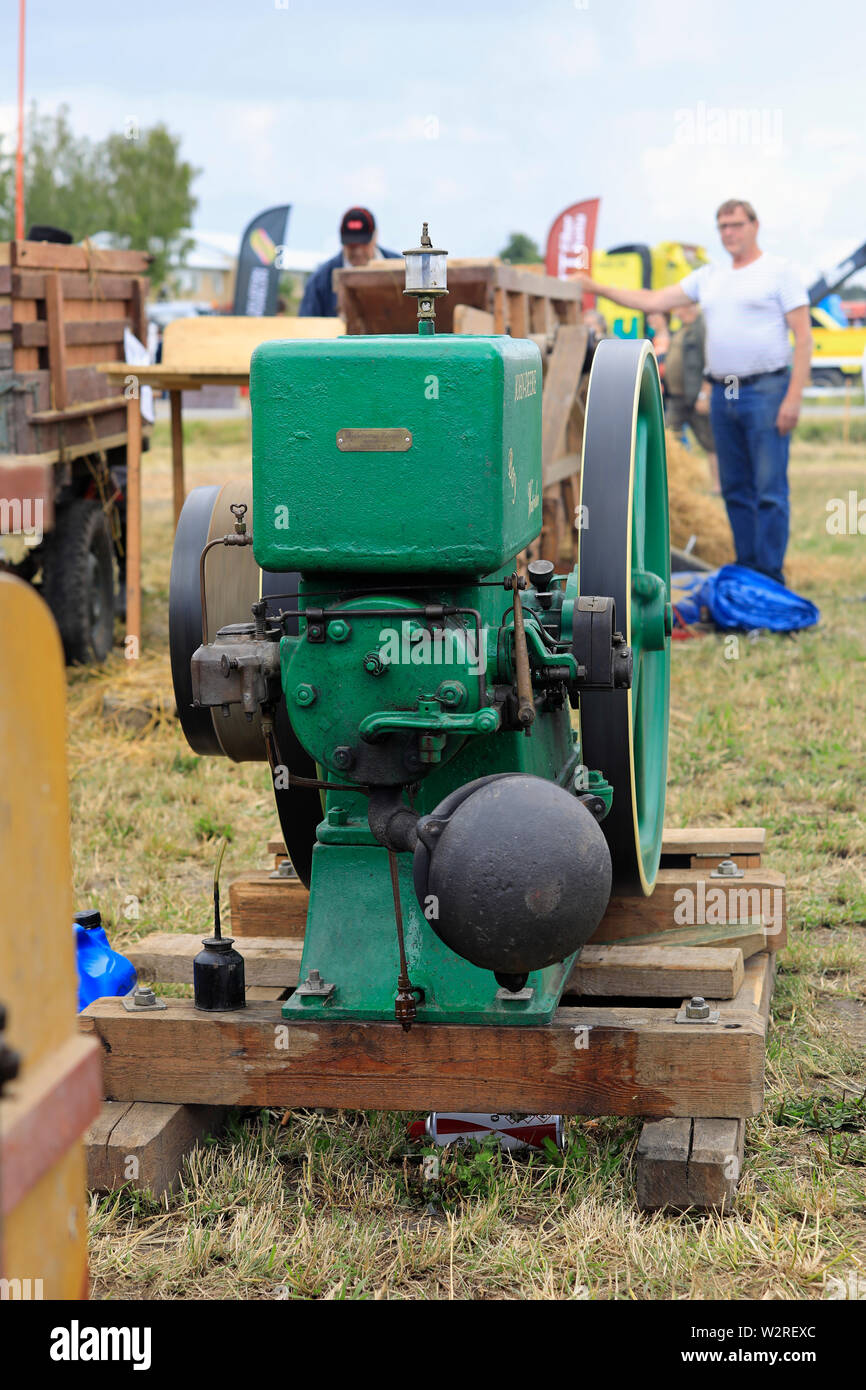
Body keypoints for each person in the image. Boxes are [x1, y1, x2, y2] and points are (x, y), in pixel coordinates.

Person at [573, 201, 812, 585]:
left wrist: (794, 397)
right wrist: (596, 287)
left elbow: (804, 338)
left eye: (735, 225)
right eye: (722, 226)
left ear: (755, 225)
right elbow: (652, 300)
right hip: (723, 393)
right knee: (735, 487)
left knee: (768, 490)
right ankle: (748, 571)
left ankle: (770, 577)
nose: (728, 233)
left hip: (766, 389)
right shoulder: (710, 276)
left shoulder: (779, 272)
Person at [299, 207, 400, 317]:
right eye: (351, 244)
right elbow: (306, 325)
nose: (358, 251)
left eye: (363, 243)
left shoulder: (402, 270)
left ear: (375, 236)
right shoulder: (320, 281)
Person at [664, 301, 719, 489]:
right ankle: (676, 483)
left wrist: (705, 394)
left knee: (710, 441)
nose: (676, 311)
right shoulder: (682, 329)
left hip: (695, 396)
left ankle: (718, 485)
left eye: (679, 307)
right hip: (677, 397)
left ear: (688, 308)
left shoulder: (702, 328)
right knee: (668, 437)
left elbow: (711, 361)